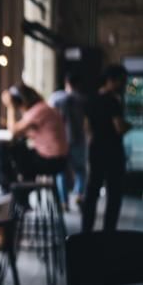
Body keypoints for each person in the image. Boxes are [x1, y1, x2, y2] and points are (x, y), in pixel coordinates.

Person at [82, 64, 131, 232]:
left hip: (96, 149)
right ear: (112, 80)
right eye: (121, 81)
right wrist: (128, 126)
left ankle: (86, 230)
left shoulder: (91, 99)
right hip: (113, 152)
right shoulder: (113, 101)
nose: (123, 85)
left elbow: (87, 128)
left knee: (92, 191)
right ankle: (108, 232)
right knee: (114, 194)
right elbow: (119, 128)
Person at [0, 83, 68, 186]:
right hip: (58, 159)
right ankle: (20, 193)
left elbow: (14, 131)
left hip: (52, 161)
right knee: (21, 154)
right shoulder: (44, 108)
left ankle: (9, 188)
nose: (20, 109)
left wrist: (10, 106)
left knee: (5, 149)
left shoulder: (38, 110)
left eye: (19, 105)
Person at [49, 73, 87, 209]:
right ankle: (78, 194)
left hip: (61, 140)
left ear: (66, 83)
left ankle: (64, 201)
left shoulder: (55, 98)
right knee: (80, 170)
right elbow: (87, 123)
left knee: (61, 172)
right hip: (78, 139)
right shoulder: (83, 100)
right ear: (79, 84)